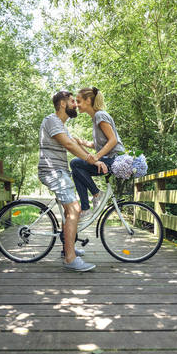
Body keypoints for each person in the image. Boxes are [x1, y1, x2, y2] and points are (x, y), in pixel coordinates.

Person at [38, 90, 108, 272]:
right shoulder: (52, 120)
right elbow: (69, 145)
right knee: (74, 209)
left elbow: (74, 144)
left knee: (67, 211)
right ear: (63, 104)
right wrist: (92, 160)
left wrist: (92, 157)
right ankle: (70, 259)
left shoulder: (60, 124)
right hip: (53, 171)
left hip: (59, 171)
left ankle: (66, 249)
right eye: (72, 101)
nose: (76, 104)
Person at [70, 87, 125, 219]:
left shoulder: (100, 115)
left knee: (75, 163)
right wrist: (82, 142)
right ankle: (85, 208)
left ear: (88, 100)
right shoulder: (96, 117)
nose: (76, 105)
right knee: (76, 170)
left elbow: (113, 141)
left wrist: (96, 157)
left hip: (114, 159)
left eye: (78, 101)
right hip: (108, 157)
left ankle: (96, 194)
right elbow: (100, 145)